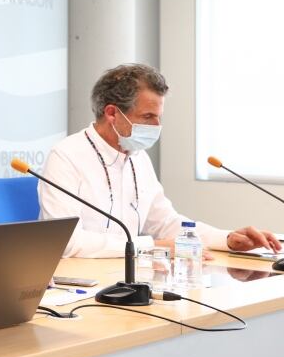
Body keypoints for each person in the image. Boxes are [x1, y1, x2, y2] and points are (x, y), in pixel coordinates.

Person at [40, 63, 281, 257]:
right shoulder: (67, 156)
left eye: (158, 117)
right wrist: (150, 246)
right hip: (79, 281)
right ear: (112, 113)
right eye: (147, 117)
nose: (157, 126)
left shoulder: (138, 157)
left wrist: (226, 239)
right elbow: (66, 243)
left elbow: (165, 223)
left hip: (128, 276)